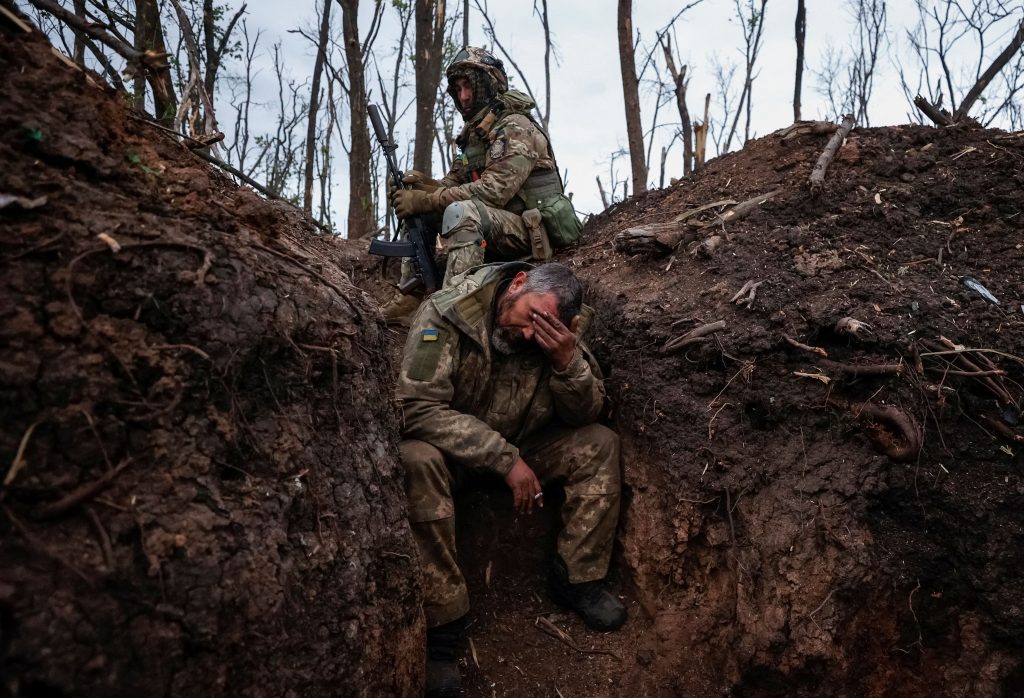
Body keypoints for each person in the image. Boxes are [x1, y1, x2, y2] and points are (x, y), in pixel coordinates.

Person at [396, 261, 625, 697]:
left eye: (543, 329)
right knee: (414, 460)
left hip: (527, 443)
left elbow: (586, 414)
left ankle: (578, 578)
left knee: (599, 442)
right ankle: (443, 624)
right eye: (529, 318)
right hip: (454, 453)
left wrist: (565, 362)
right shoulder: (448, 312)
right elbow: (415, 407)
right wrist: (503, 460)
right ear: (517, 284)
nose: (527, 335)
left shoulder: (562, 332)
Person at [382, 46, 582, 324]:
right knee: (423, 209)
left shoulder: (515, 127)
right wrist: (419, 187)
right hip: (495, 226)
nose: (464, 96)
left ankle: (454, 310)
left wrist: (428, 199)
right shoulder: (474, 136)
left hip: (531, 232)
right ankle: (411, 298)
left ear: (489, 85)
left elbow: (494, 191)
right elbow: (452, 183)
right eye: (459, 89)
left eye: (470, 87)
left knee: (463, 212)